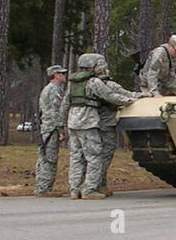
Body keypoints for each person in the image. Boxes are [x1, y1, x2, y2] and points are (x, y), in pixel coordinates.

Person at [56, 53, 143, 199]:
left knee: (76, 157)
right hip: (88, 123)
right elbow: (110, 96)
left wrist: (60, 124)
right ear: (93, 66)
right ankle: (89, 190)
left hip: (72, 123)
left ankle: (74, 189)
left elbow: (65, 104)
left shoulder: (73, 82)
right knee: (94, 157)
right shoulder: (94, 82)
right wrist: (129, 100)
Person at [34, 65, 67, 195]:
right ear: (56, 75)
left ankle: (42, 187)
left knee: (44, 157)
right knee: (49, 158)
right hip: (51, 128)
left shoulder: (50, 89)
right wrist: (60, 130)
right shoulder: (54, 90)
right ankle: (44, 189)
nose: (64, 76)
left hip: (47, 127)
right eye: (62, 73)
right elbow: (55, 112)